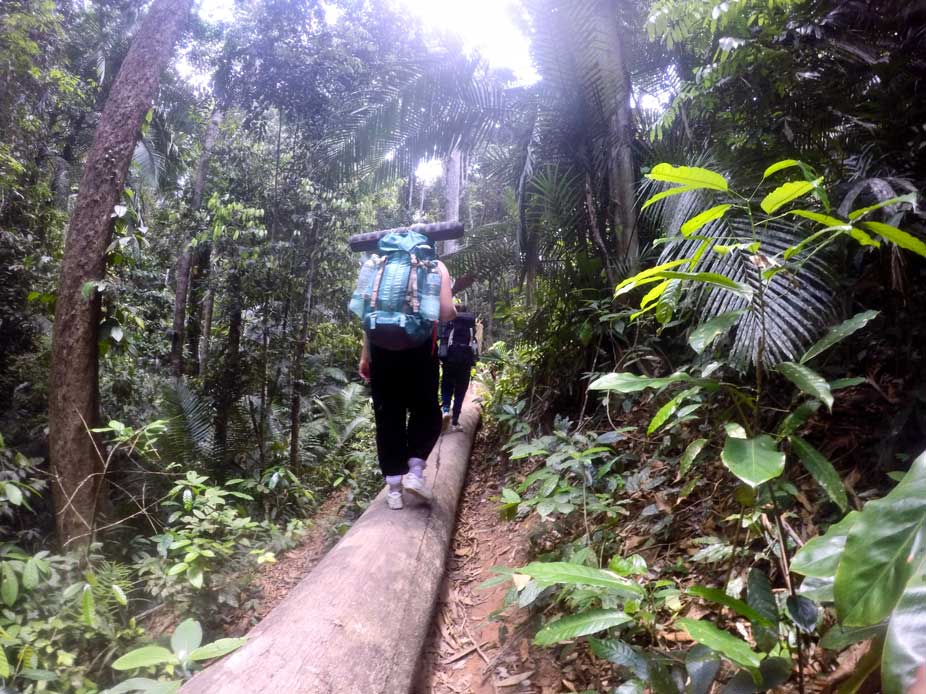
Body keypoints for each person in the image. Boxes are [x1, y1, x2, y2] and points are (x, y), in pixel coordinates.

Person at [357, 256, 456, 511]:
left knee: (388, 414)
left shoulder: (379, 263)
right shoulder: (435, 266)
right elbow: (446, 312)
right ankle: (415, 472)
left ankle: (393, 489)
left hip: (381, 350)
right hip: (420, 348)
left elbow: (367, 315)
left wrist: (365, 356)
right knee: (425, 410)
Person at [439, 303, 478, 432]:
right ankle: (455, 421)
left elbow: (442, 340)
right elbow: (474, 344)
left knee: (446, 385)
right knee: (460, 390)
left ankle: (445, 410)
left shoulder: (451, 323)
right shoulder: (470, 326)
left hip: (450, 359)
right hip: (465, 361)